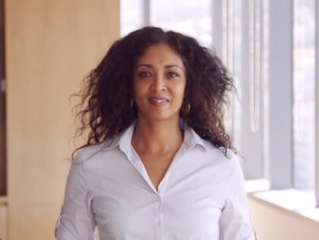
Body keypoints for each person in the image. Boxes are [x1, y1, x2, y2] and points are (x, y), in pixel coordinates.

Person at [55, 26, 256, 240]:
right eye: (145, 74)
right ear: (129, 84)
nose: (158, 85)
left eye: (172, 74)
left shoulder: (221, 165)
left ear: (188, 86)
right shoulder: (91, 165)